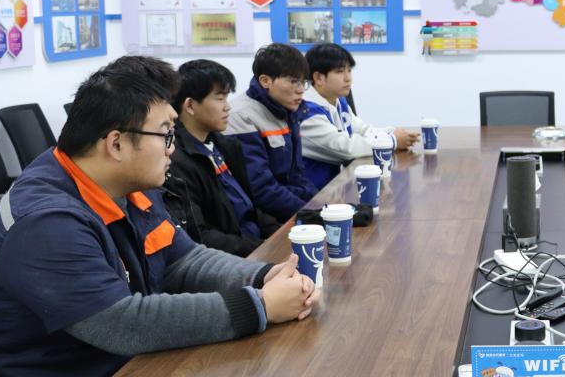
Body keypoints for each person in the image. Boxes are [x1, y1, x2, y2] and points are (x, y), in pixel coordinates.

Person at [0, 56, 320, 377]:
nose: (173, 148)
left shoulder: (124, 186)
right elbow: (124, 324)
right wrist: (261, 306)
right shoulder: (46, 221)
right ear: (116, 144)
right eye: (166, 134)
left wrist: (263, 275)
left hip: (115, 375)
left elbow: (183, 260)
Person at [167, 59, 281, 256]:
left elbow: (250, 208)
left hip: (252, 244)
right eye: (220, 99)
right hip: (232, 257)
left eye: (227, 98)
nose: (228, 107)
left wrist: (280, 234)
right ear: (190, 106)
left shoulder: (225, 146)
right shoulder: (176, 161)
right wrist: (259, 246)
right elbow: (200, 235)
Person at [297, 43, 420, 189]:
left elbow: (363, 129)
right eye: (340, 71)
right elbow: (347, 148)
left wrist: (391, 133)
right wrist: (392, 141)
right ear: (318, 77)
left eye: (349, 70)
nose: (348, 78)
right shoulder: (306, 112)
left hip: (337, 187)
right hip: (315, 194)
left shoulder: (337, 101)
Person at [225, 43, 318, 219]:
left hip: (287, 207)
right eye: (293, 81)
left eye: (303, 82)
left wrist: (320, 203)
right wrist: (312, 214)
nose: (300, 90)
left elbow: (297, 175)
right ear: (265, 81)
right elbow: (261, 190)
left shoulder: (287, 109)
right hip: (263, 217)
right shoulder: (241, 116)